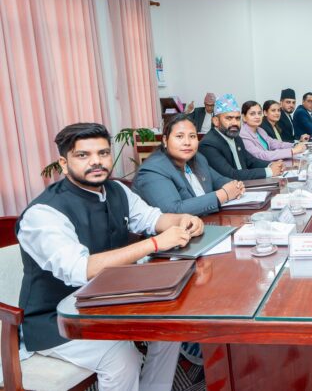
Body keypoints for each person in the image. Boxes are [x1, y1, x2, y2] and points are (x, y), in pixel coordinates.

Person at [16, 123, 205, 390]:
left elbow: (153, 219)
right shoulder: (44, 213)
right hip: (56, 320)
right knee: (121, 357)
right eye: (83, 155)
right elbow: (81, 269)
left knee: (170, 328)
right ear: (64, 164)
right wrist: (154, 243)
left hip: (110, 302)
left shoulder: (116, 190)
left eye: (103, 153)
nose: (96, 162)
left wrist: (184, 219)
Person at [133, 114, 246, 216]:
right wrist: (223, 195)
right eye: (179, 136)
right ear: (165, 140)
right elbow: (173, 210)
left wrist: (236, 186)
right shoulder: (152, 170)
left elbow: (218, 180)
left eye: (192, 136)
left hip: (207, 222)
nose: (187, 142)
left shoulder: (198, 158)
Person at [198, 94, 283, 181]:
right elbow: (230, 175)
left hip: (246, 185)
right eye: (229, 118)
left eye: (237, 118)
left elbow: (250, 161)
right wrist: (269, 171)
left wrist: (271, 165)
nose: (235, 123)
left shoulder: (236, 138)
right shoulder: (208, 144)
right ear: (216, 121)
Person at [241, 100, 306, 161]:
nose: (257, 117)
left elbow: (275, 143)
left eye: (259, 113)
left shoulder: (260, 130)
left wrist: (294, 145)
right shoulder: (243, 134)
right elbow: (261, 155)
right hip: (260, 168)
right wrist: (292, 151)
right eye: (252, 114)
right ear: (244, 117)